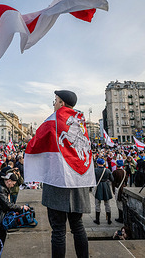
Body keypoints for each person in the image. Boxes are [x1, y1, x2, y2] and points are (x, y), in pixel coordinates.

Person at [41, 90, 90, 258]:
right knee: (78, 226)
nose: (53, 104)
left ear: (61, 103)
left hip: (58, 183)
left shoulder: (53, 121)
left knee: (58, 231)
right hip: (77, 180)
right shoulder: (80, 123)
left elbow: (37, 144)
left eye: (55, 101)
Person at [0, 173, 29, 258]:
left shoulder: (1, 187)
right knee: (0, 243)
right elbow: (7, 205)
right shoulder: (0, 189)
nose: (13, 186)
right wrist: (20, 207)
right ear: (8, 181)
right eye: (12, 184)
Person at [93, 158, 114, 225]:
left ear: (97, 163)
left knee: (97, 204)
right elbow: (112, 179)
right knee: (107, 203)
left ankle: (97, 220)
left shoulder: (95, 170)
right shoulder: (107, 170)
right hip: (106, 186)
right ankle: (109, 220)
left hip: (98, 186)